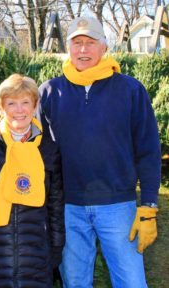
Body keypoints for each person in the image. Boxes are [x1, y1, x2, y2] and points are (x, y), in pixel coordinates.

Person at [39, 17, 161, 288]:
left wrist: (149, 205)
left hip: (118, 207)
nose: (83, 50)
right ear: (68, 49)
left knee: (131, 282)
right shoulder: (49, 92)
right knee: (75, 283)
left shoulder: (131, 90)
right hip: (67, 207)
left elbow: (149, 150)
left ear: (104, 47)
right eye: (77, 43)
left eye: (90, 43)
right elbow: (34, 148)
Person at [0, 74, 65, 287]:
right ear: (1, 109)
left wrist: (55, 247)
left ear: (35, 106)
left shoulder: (49, 149)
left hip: (36, 252)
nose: (19, 110)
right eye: (11, 103)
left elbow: (55, 204)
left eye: (25, 102)